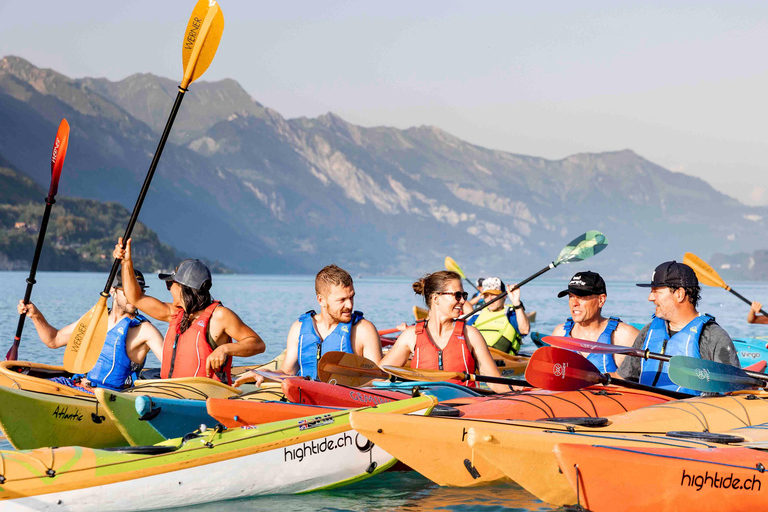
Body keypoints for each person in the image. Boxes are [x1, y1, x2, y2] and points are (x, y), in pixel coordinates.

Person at [114, 238, 265, 384]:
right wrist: (126, 262)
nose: (168, 289)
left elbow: (257, 344)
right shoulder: (175, 314)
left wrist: (226, 349)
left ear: (182, 288)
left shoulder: (219, 316)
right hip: (172, 394)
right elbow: (136, 298)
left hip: (205, 398)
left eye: (169, 285)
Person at [234, 264, 382, 386]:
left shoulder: (363, 330)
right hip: (305, 399)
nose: (349, 305)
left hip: (345, 404)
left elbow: (378, 379)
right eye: (342, 300)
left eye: (351, 297)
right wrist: (262, 373)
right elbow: (287, 372)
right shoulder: (299, 328)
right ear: (321, 300)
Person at [17, 269, 164, 391]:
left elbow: (173, 368)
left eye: (139, 292)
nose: (134, 296)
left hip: (105, 398)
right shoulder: (95, 319)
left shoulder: (145, 330)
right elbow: (54, 340)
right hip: (75, 385)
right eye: (129, 291)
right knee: (17, 385)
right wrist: (35, 315)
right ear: (113, 291)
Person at [379, 270, 512, 393]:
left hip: (467, 407)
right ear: (436, 298)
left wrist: (522, 391)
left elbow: (496, 383)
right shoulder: (410, 336)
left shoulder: (471, 335)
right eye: (457, 295)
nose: (463, 301)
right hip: (425, 408)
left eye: (464, 295)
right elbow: (378, 377)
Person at [618, 261, 740, 393]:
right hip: (645, 408)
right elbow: (622, 378)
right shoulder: (648, 332)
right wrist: (598, 377)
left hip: (690, 410)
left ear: (679, 294)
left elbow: (732, 390)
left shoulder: (712, 336)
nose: (650, 297)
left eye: (656, 291)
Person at [551, 271, 638, 371]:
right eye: (571, 296)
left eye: (581, 297)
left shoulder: (623, 335)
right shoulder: (560, 334)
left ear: (601, 300)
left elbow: (641, 380)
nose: (574, 303)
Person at [466, 277, 530, 355]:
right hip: (478, 358)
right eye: (486, 295)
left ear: (504, 296)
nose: (490, 299)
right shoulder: (477, 315)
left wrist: (516, 302)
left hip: (504, 361)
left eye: (494, 294)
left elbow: (525, 330)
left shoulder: (510, 314)